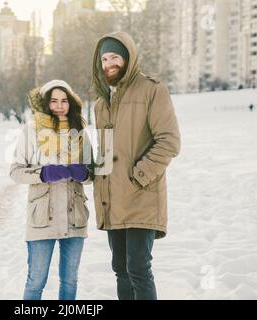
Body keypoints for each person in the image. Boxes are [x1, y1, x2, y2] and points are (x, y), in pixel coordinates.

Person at [91, 32, 181, 300]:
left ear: (128, 58)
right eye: (105, 58)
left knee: (138, 268)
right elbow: (106, 152)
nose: (109, 63)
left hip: (141, 194)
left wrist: (139, 175)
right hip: (113, 198)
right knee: (120, 268)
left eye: (115, 57)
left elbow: (170, 141)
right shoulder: (100, 103)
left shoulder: (152, 90)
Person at [10, 80, 93, 300]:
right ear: (45, 104)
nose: (59, 106)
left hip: (74, 217)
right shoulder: (30, 131)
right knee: (36, 280)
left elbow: (93, 172)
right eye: (54, 101)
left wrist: (83, 173)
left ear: (71, 103)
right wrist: (42, 174)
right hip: (42, 218)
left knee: (70, 280)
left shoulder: (79, 132)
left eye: (64, 101)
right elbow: (15, 171)